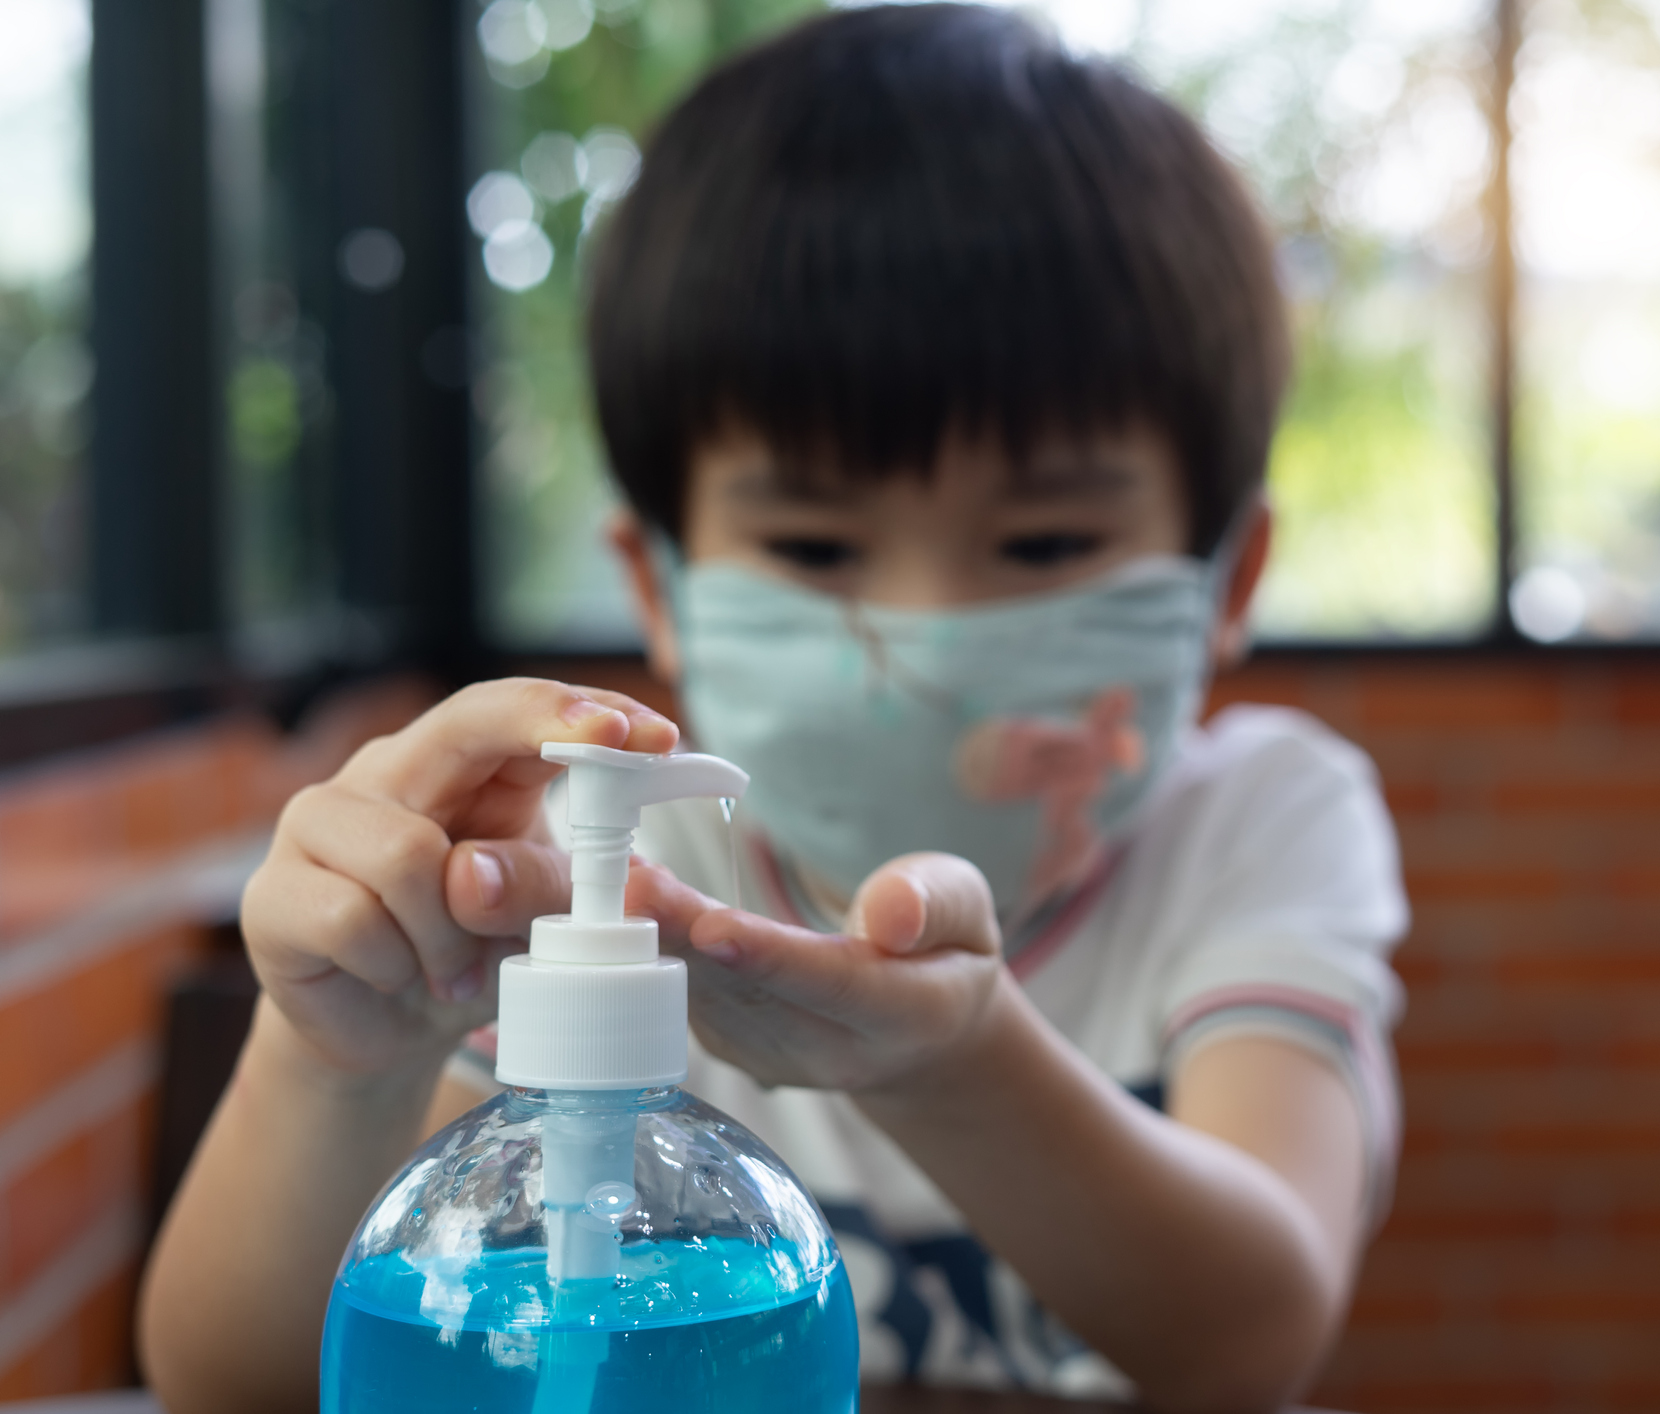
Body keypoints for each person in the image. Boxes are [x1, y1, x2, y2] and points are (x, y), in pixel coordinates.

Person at [139, 6, 1406, 1411]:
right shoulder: (602, 873)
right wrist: (340, 1054)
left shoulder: (1265, 823)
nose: (924, 635)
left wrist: (954, 1060)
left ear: (1229, 576)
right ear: (658, 582)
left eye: (1042, 545)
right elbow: (228, 1382)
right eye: (814, 548)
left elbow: (1251, 1341)